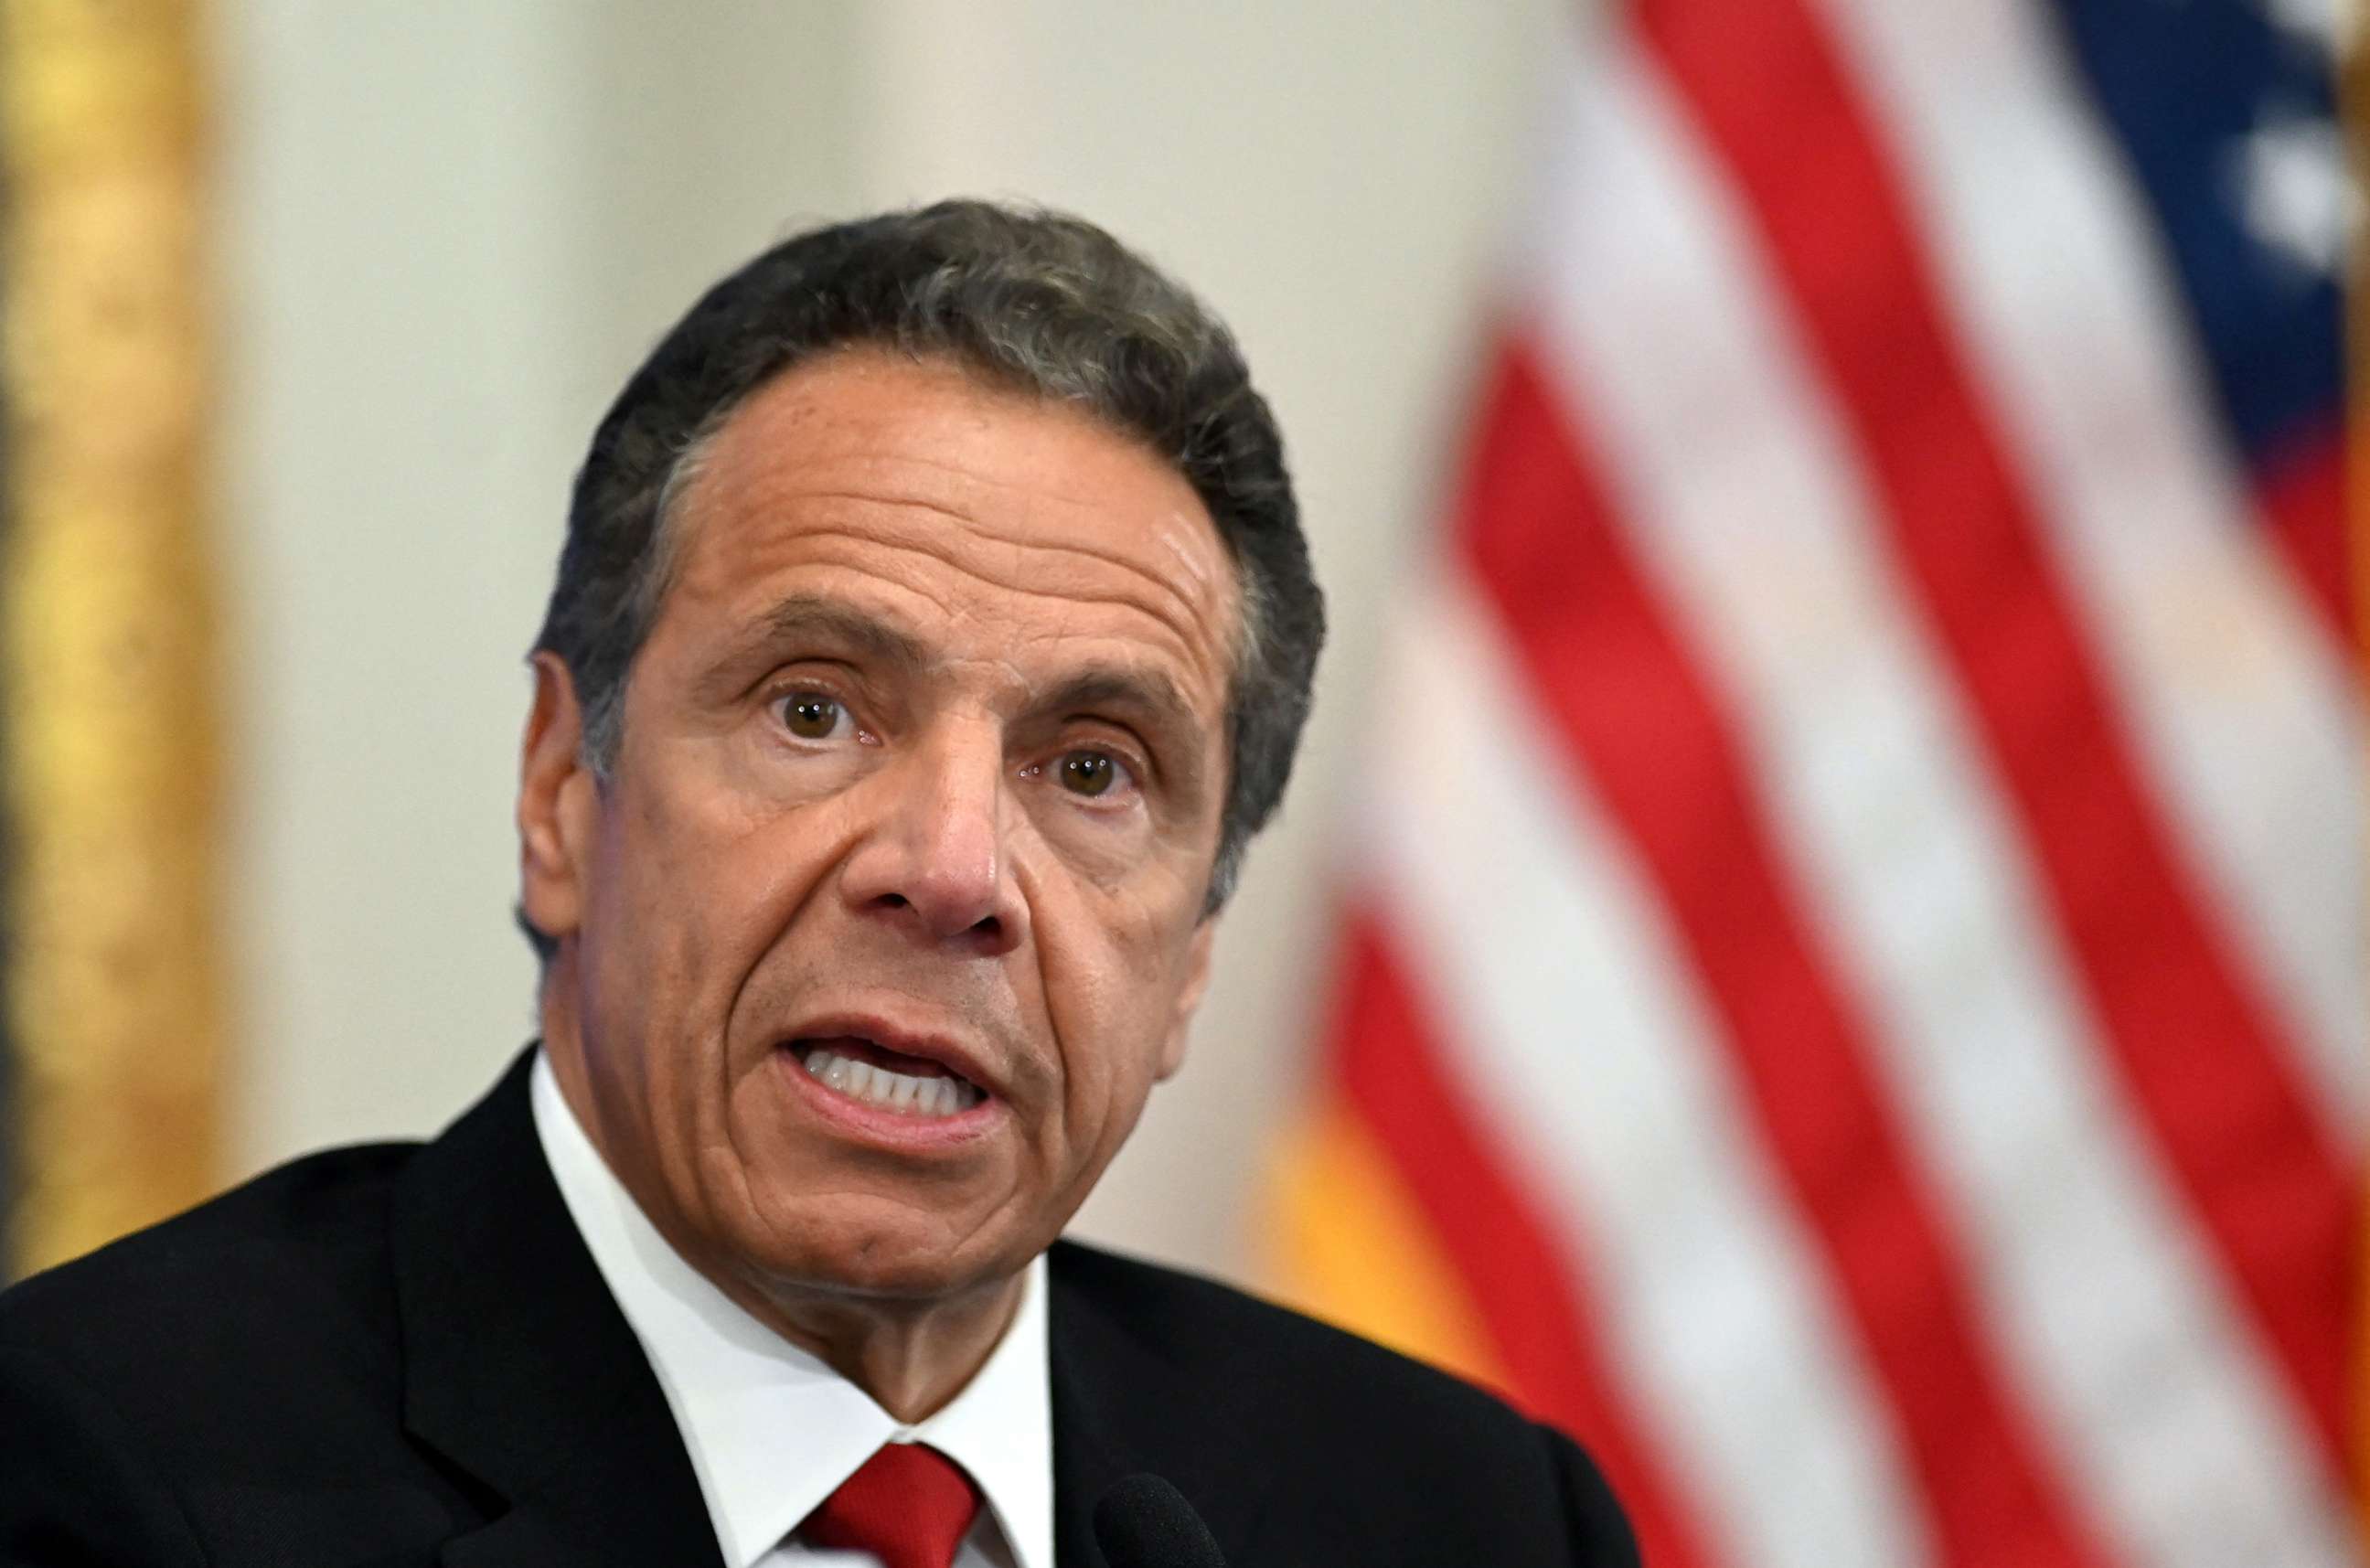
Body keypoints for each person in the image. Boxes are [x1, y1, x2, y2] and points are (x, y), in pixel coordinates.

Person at [0, 201, 1637, 1568]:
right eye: (816, 709)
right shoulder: (96, 1479)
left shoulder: (1467, 1521)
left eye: (1091, 769)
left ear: (1192, 961)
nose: (950, 873)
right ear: (564, 795)